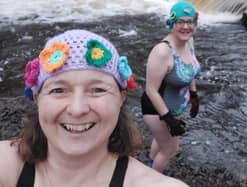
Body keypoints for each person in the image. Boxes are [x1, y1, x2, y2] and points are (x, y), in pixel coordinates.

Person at [0, 29, 189, 187]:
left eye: (97, 90)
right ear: (37, 98)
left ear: (121, 98)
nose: (77, 109)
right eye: (58, 90)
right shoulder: (6, 166)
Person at [141, 1, 201, 173]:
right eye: (180, 22)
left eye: (189, 22)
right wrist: (169, 120)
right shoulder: (162, 51)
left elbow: (190, 69)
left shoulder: (189, 42)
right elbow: (150, 90)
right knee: (171, 149)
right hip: (155, 109)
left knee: (161, 141)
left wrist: (194, 94)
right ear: (171, 23)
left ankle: (152, 162)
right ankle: (153, 179)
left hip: (173, 107)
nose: (185, 26)